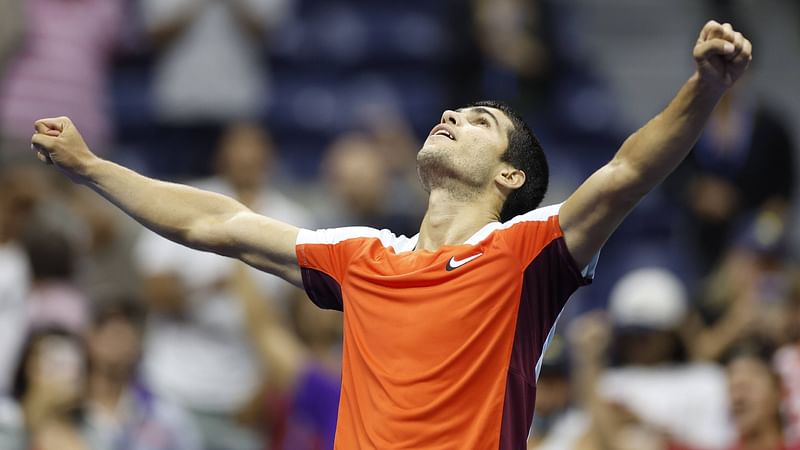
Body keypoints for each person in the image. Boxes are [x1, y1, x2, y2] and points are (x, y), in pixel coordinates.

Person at [29, 20, 752, 448]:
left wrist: (707, 87)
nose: (454, 117)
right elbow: (214, 221)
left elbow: (627, 171)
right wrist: (92, 167)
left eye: (481, 123)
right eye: (456, 111)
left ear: (507, 179)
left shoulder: (528, 253)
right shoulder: (362, 257)